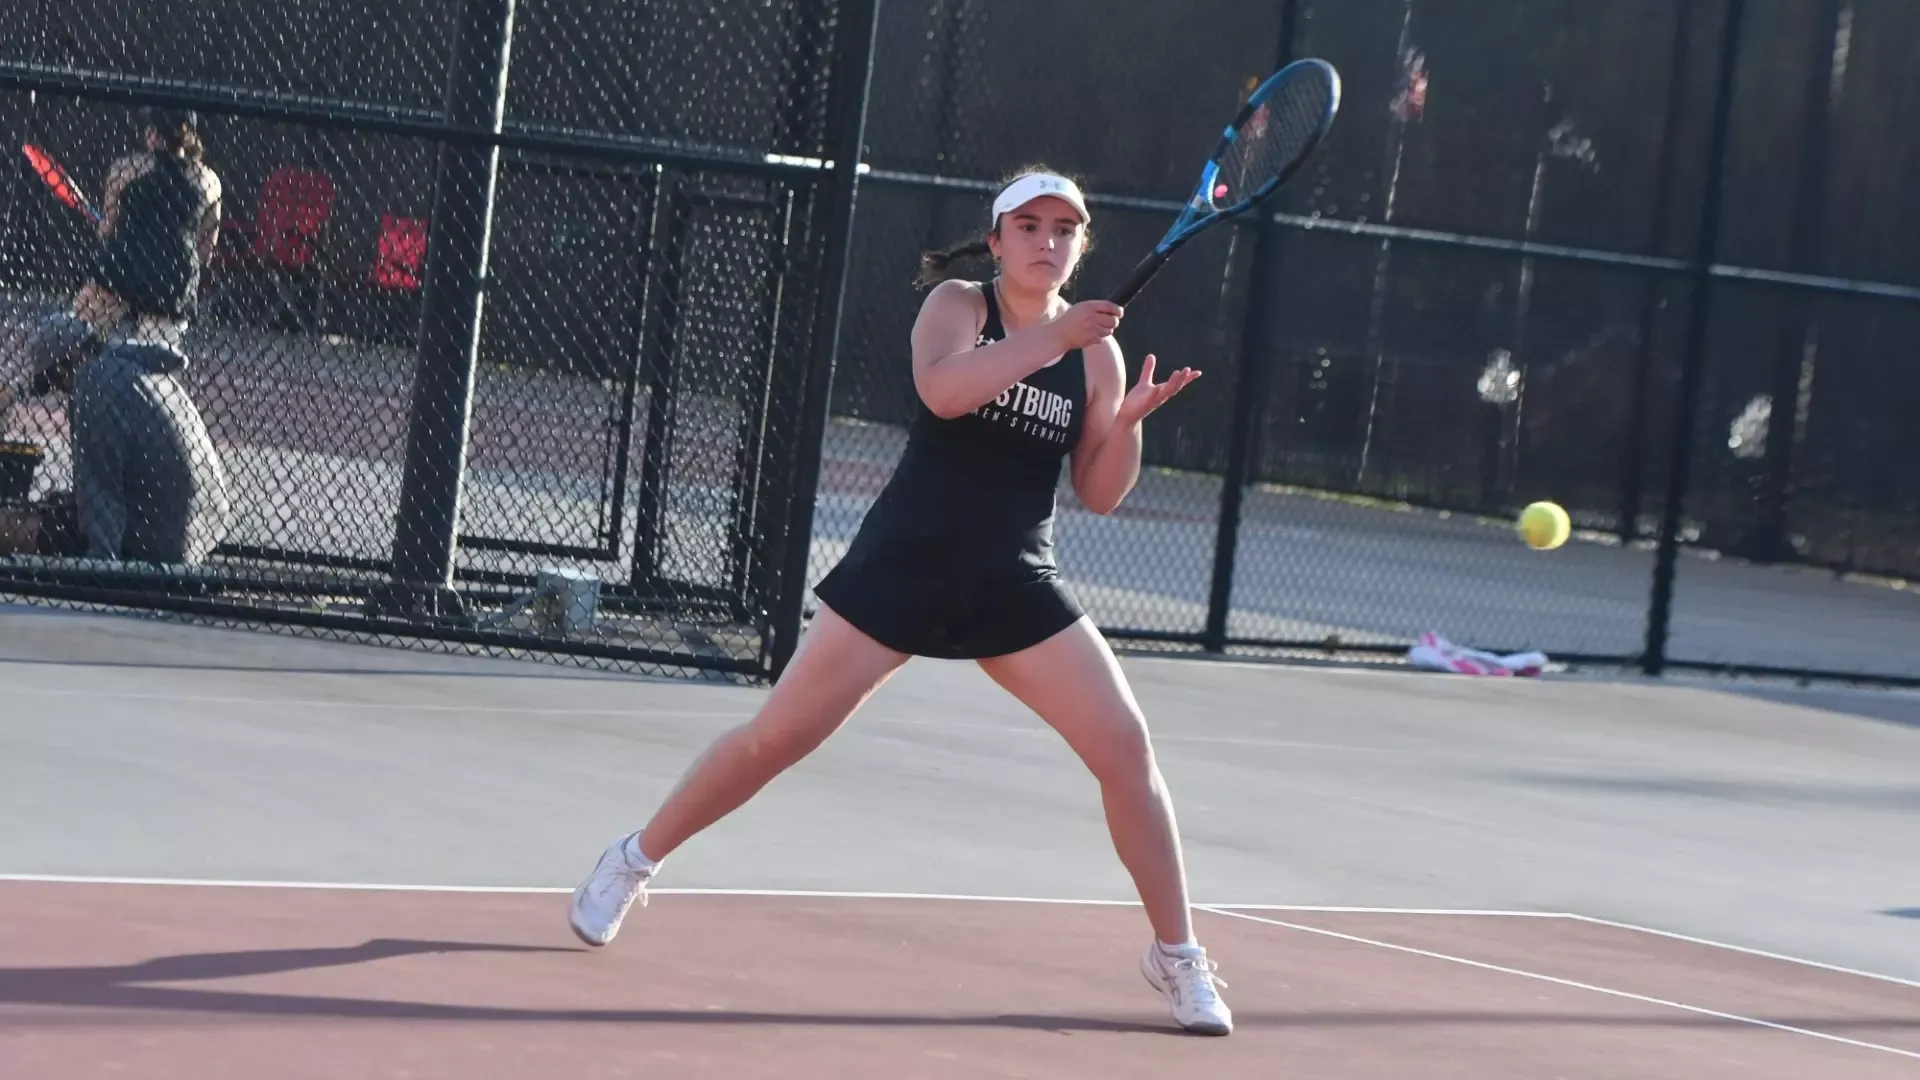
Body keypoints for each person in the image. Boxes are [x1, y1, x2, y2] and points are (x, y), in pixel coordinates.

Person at [566, 168, 1231, 1036]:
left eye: (1064, 227)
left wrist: (1128, 417)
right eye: (1027, 225)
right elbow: (945, 392)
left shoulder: (1096, 355)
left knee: (1125, 746)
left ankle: (1176, 955)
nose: (1046, 239)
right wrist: (1054, 336)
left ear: (1079, 244)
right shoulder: (959, 305)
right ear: (996, 241)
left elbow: (1100, 493)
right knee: (778, 736)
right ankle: (634, 859)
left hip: (1013, 578)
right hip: (905, 564)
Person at [0, 106, 228, 562]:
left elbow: (108, 226)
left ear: (152, 134)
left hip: (120, 266)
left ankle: (16, 395)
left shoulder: (126, 168)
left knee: (71, 340)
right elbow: (208, 244)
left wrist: (123, 235)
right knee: (154, 371)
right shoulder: (210, 180)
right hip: (174, 277)